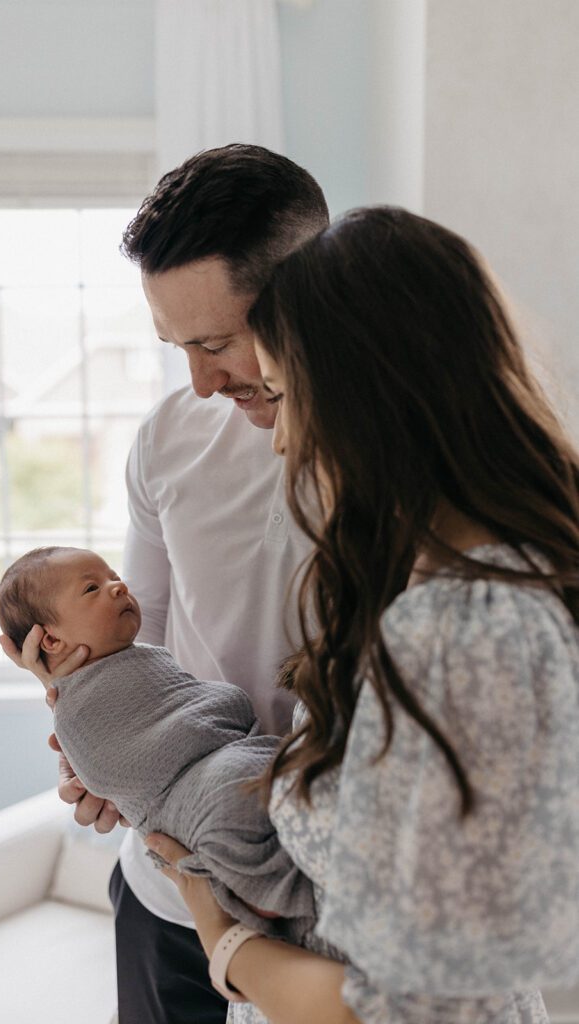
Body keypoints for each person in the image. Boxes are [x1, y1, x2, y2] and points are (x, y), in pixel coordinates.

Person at [145, 206, 579, 1024]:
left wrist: (219, 932)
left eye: (281, 395)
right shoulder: (433, 588)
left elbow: (397, 1012)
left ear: (359, 398)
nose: (280, 443)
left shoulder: (470, 632)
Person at [0, 144, 329, 1024]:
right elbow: (128, 637)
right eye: (180, 346)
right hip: (167, 882)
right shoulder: (171, 437)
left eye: (218, 342)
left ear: (315, 296)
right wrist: (91, 733)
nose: (202, 381)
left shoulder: (412, 460)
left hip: (324, 889)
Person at [0, 545, 315, 938]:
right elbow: (114, 768)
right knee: (235, 820)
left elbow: (193, 703)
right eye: (92, 588)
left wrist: (219, 711)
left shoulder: (144, 657)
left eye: (113, 576)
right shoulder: (76, 707)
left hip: (246, 753)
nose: (118, 586)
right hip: (195, 800)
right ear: (51, 641)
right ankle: (269, 893)